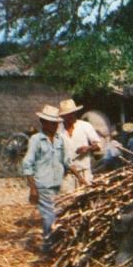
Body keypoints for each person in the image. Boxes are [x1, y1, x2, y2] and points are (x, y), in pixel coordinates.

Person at [22, 105, 85, 254]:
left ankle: (54, 244)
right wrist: (33, 188)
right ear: (43, 122)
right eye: (52, 123)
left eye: (57, 123)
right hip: (42, 184)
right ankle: (48, 248)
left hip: (57, 183)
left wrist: (80, 178)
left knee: (57, 215)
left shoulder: (60, 140)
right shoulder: (36, 140)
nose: (56, 126)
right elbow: (27, 164)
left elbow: (66, 162)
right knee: (49, 216)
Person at [58, 99, 101, 193]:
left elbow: (98, 145)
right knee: (66, 200)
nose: (70, 116)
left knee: (86, 198)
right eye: (67, 115)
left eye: (72, 113)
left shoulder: (85, 126)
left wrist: (88, 148)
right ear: (62, 116)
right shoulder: (58, 130)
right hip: (66, 174)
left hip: (84, 170)